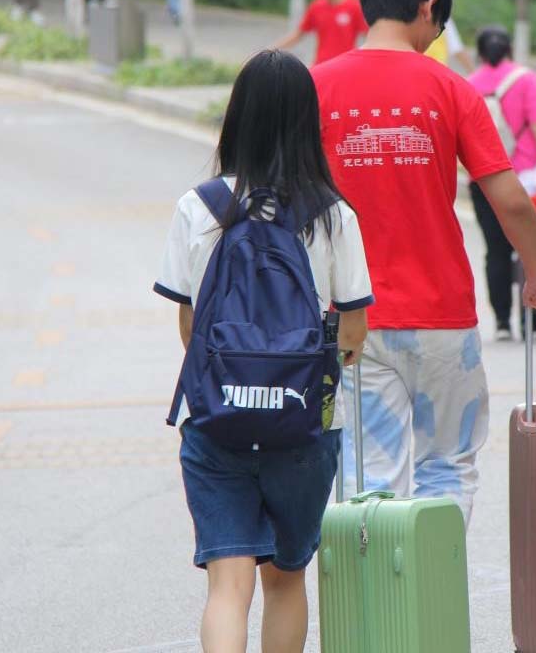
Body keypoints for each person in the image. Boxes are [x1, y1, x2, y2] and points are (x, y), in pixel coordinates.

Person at [310, 0, 536, 522]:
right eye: (439, 24)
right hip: (443, 317)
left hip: (350, 317)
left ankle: (375, 581)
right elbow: (510, 200)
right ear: (428, 7)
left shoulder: (316, 88)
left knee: (367, 478)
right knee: (447, 466)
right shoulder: (452, 89)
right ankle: (437, 579)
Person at [153, 50, 373, 653]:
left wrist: (234, 375)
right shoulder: (332, 213)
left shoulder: (199, 206)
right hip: (302, 427)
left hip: (215, 420)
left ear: (237, 117)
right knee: (285, 580)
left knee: (228, 586)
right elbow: (353, 332)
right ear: (307, 121)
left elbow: (189, 326)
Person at [466, 25, 536, 340]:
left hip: (484, 180)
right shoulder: (527, 80)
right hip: (527, 178)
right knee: (529, 248)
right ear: (509, 50)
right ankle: (532, 318)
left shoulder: (468, 85)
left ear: (479, 53)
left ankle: (503, 322)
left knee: (495, 251)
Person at [273, 0, 368, 65]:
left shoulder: (354, 6)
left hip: (345, 65)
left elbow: (369, 36)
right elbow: (298, 35)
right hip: (320, 65)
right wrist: (272, 50)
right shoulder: (316, 6)